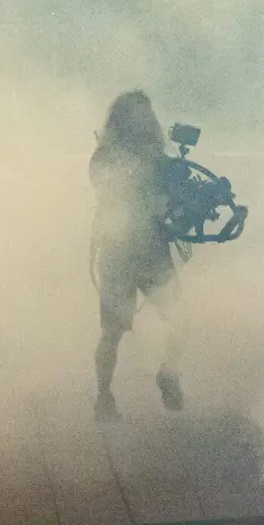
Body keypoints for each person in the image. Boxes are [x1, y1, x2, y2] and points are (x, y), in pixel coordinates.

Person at [90, 90, 185, 421]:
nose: (145, 119)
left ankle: (168, 373)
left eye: (147, 112)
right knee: (112, 332)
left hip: (153, 252)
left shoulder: (160, 159)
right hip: (119, 255)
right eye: (138, 113)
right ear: (123, 118)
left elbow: (174, 196)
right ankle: (104, 395)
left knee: (180, 317)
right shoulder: (105, 157)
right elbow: (108, 190)